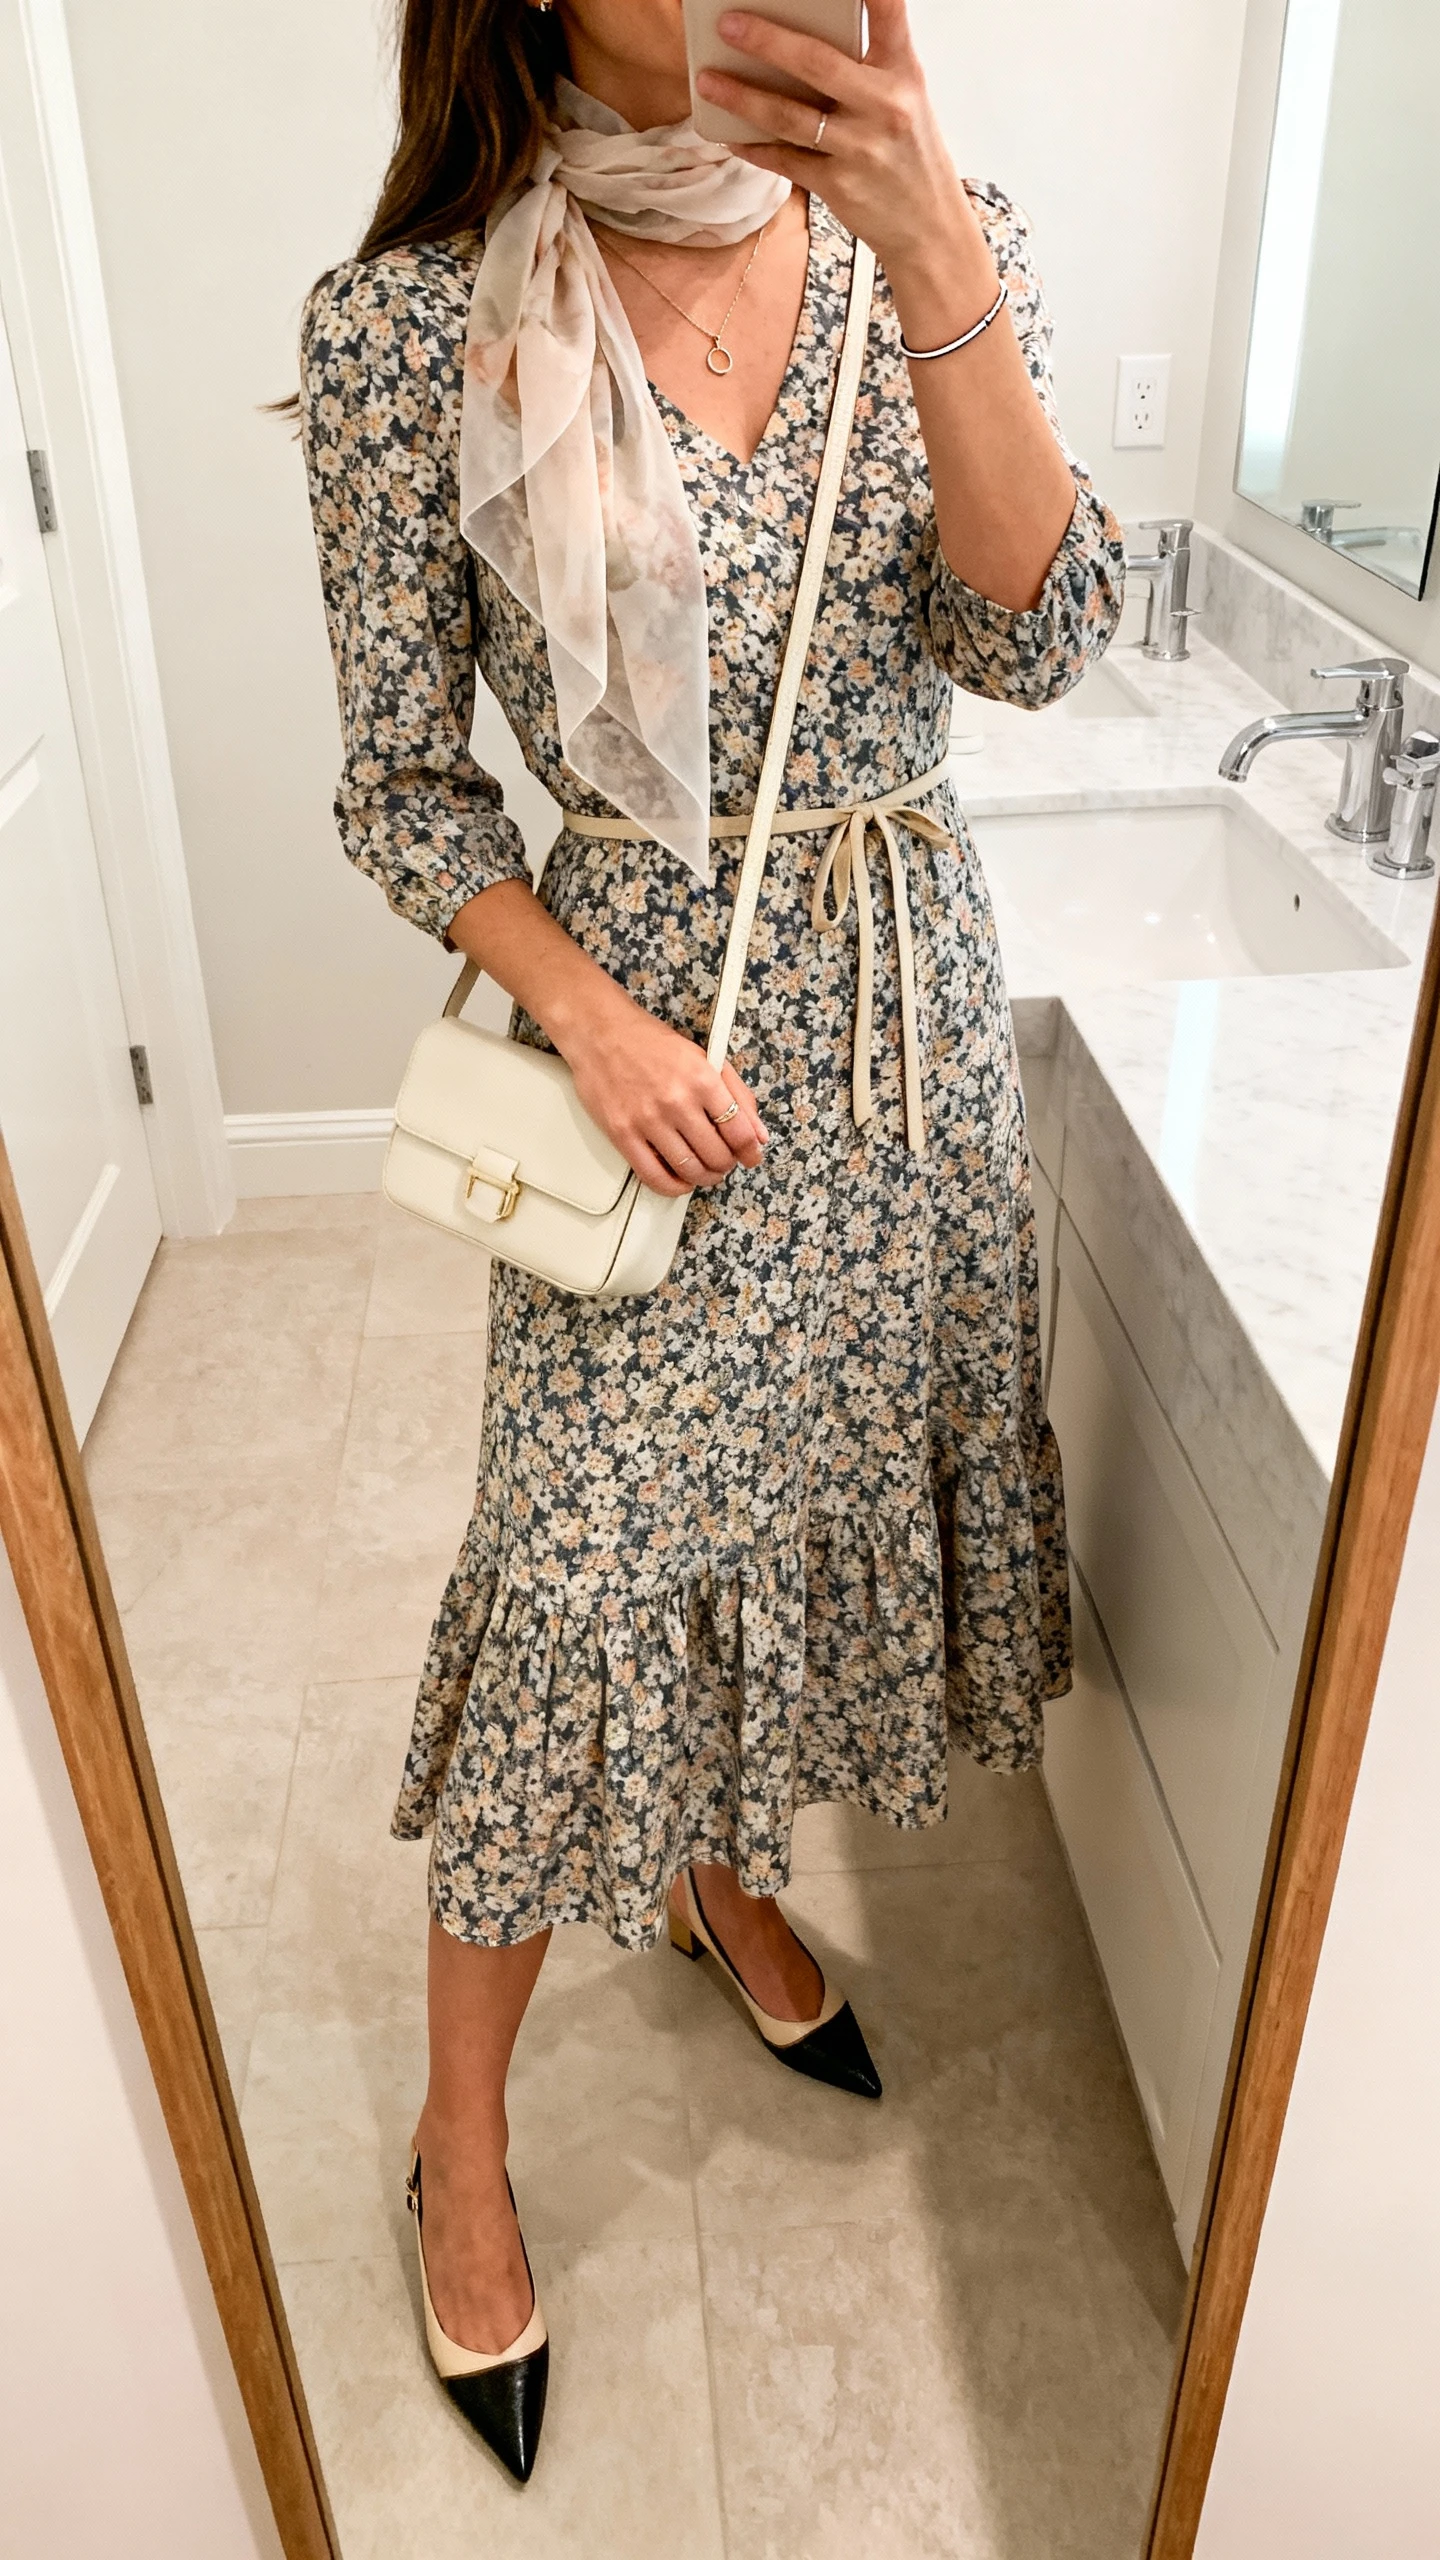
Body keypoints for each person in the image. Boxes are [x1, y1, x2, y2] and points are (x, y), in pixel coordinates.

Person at [300, 0, 1123, 2483]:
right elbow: (397, 781)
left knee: (782, 1531)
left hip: (900, 1052)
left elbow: (1039, 631)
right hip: (638, 1072)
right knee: (571, 1586)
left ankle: (715, 1874)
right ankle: (464, 2142)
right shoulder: (408, 326)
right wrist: (587, 1013)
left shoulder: (924, 253)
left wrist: (933, 230)